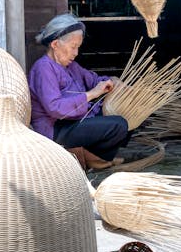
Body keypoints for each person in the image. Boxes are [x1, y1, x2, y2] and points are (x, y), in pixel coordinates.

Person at [28, 14, 129, 170]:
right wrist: (92, 94)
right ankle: (95, 159)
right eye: (73, 46)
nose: (76, 53)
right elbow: (55, 108)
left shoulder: (70, 66)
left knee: (127, 115)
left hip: (75, 122)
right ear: (55, 44)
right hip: (56, 129)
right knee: (118, 125)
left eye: (78, 47)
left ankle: (92, 156)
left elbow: (94, 80)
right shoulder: (43, 68)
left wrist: (112, 81)